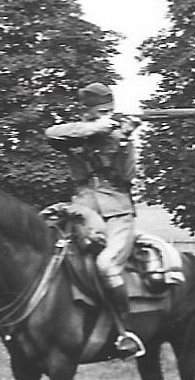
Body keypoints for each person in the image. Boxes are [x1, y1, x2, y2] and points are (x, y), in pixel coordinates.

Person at [44, 82, 145, 358]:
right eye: (97, 113)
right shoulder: (76, 132)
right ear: (86, 114)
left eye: (106, 112)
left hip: (117, 213)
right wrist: (98, 127)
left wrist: (123, 140)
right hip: (82, 211)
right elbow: (51, 133)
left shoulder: (119, 137)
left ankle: (126, 332)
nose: (102, 116)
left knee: (106, 264)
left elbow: (126, 177)